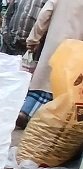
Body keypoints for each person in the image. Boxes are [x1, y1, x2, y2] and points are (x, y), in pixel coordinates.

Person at [16, 0, 83, 129]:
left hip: (53, 44)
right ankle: (41, 120)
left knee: (42, 82)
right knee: (60, 87)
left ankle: (25, 111)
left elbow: (44, 14)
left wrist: (33, 39)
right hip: (76, 48)